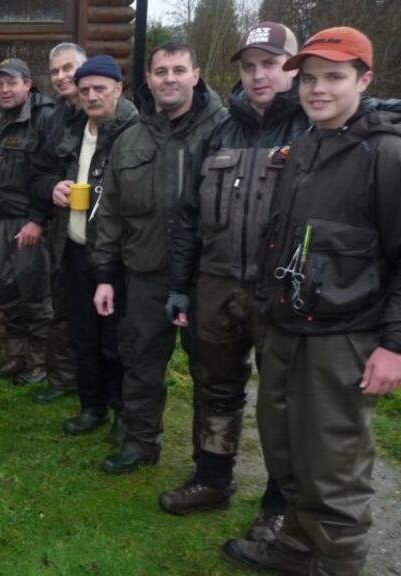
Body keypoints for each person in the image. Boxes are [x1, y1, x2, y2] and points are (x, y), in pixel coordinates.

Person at [222, 27, 401, 575]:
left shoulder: (387, 154)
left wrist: (394, 345)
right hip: (285, 326)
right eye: (310, 78)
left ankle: (337, 565)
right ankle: (297, 549)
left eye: (334, 77)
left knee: (334, 468)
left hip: (344, 338)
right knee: (285, 450)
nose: (317, 90)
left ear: (364, 80)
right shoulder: (304, 147)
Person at [162, 22, 304, 539]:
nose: (259, 75)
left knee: (282, 400)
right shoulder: (218, 133)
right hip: (217, 284)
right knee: (214, 386)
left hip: (282, 289)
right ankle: (212, 478)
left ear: (294, 66)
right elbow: (187, 219)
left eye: (270, 63)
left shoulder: (318, 128)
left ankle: (280, 504)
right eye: (249, 65)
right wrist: (181, 286)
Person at [92, 41, 226, 473]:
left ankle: (210, 461)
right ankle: (140, 441)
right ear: (148, 80)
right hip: (146, 271)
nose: (169, 78)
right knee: (141, 360)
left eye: (178, 70)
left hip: (208, 277)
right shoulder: (132, 137)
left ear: (196, 74)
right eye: (161, 71)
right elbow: (109, 210)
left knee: (213, 373)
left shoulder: (224, 130)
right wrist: (106, 274)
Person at [32, 55, 138, 441]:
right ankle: (91, 407)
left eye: (100, 89)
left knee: (117, 342)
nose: (92, 96)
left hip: (119, 258)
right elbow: (40, 172)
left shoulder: (135, 132)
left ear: (118, 89)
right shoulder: (74, 128)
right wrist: (52, 187)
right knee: (83, 337)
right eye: (85, 90)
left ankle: (122, 413)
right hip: (74, 249)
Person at [0, 58, 55, 387]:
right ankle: (16, 355)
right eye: (0, 84)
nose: (5, 90)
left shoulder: (45, 117)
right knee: (6, 289)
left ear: (28, 85)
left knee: (35, 295)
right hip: (7, 220)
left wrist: (37, 220)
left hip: (32, 224)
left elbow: (52, 174)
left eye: (12, 83)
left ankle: (38, 365)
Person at [32, 42, 85, 404]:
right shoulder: (53, 118)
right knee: (62, 307)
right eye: (55, 71)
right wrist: (51, 187)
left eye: (69, 68)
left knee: (103, 316)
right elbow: (37, 173)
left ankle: (99, 390)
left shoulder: (112, 113)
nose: (62, 76)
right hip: (62, 231)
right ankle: (65, 378)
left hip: (104, 233)